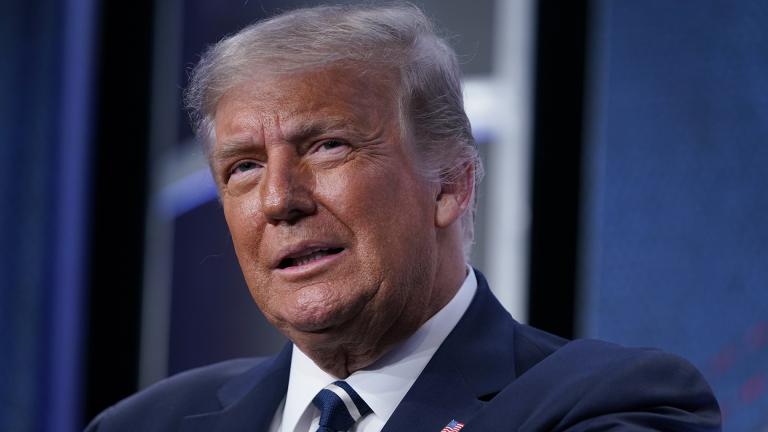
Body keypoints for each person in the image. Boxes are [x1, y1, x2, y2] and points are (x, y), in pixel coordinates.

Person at [86, 4, 720, 431]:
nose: (279, 200)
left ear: (450, 184)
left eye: (328, 146)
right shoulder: (144, 423)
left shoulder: (611, 403)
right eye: (243, 168)